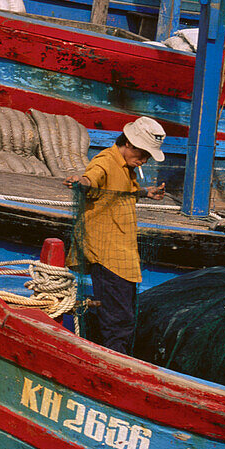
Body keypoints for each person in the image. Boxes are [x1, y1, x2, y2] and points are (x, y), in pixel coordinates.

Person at [65, 116, 167, 355]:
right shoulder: (106, 160)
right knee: (118, 321)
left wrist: (145, 192)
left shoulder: (127, 167)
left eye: (148, 157)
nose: (143, 160)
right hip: (107, 255)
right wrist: (81, 182)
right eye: (142, 154)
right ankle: (114, 364)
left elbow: (121, 190)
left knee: (124, 315)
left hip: (123, 255)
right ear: (129, 143)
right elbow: (92, 178)